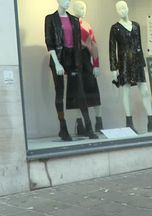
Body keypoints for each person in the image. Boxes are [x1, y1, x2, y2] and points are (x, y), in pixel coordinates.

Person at [44, 0, 97, 140]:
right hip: (59, 58)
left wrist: (80, 63)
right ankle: (63, 128)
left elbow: (78, 42)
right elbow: (49, 42)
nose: (67, 2)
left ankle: (89, 127)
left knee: (80, 93)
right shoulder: (50, 19)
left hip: (73, 58)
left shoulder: (74, 19)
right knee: (59, 93)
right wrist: (57, 64)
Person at [109, 0, 152, 133]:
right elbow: (112, 49)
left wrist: (142, 63)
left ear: (128, 8)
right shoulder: (115, 28)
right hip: (124, 62)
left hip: (137, 62)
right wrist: (113, 68)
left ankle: (151, 122)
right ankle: (129, 123)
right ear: (116, 11)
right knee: (126, 92)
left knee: (144, 91)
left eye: (124, 7)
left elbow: (139, 45)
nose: (123, 10)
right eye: (119, 8)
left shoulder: (136, 26)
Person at [72, 0, 103, 136]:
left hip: (85, 59)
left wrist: (96, 65)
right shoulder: (68, 25)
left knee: (93, 91)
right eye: (80, 7)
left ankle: (99, 121)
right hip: (73, 60)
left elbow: (94, 45)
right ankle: (80, 125)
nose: (83, 9)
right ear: (74, 9)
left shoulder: (86, 25)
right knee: (78, 94)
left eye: (84, 7)